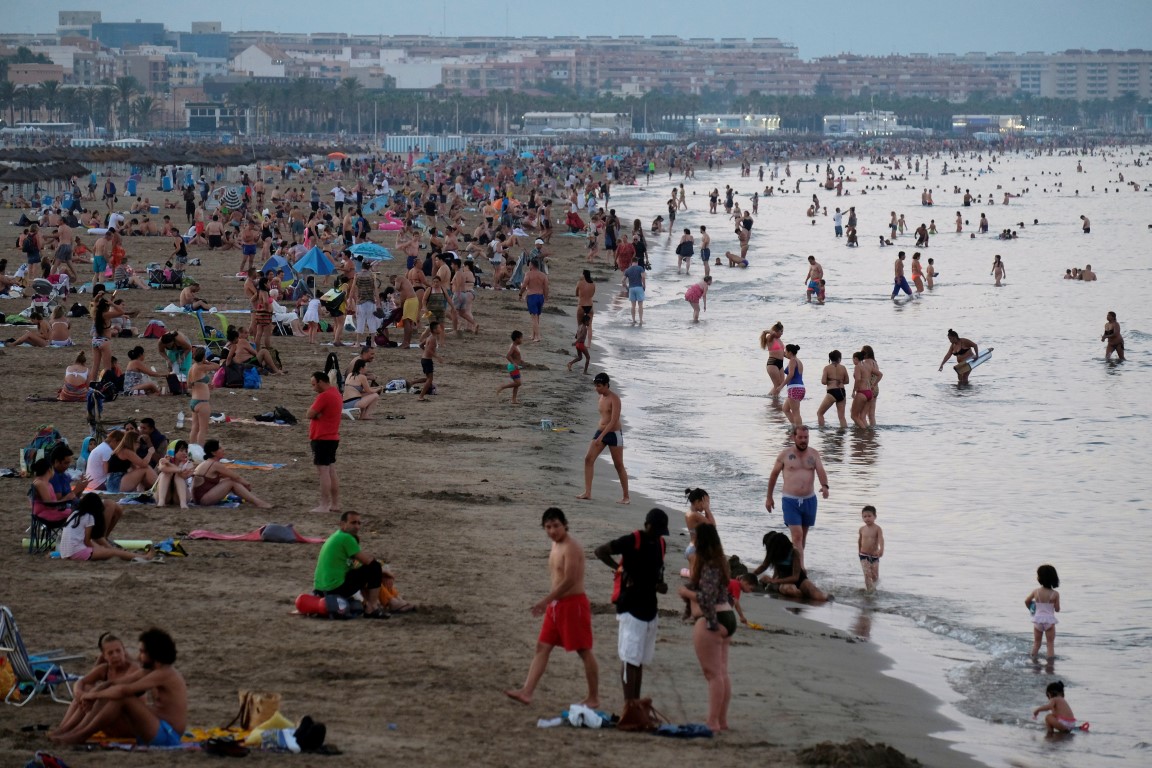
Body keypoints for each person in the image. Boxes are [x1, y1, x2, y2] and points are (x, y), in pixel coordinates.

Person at [505, 508, 599, 708]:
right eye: (548, 527)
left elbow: (570, 580)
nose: (552, 531)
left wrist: (545, 600)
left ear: (564, 524)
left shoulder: (571, 547)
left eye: (556, 526)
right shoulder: (555, 545)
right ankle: (527, 692)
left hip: (573, 605)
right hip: (556, 606)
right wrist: (551, 603)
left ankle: (593, 698)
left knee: (583, 651)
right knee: (542, 646)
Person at [51, 628, 187, 747]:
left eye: (142, 652)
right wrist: (95, 691)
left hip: (168, 734)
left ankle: (80, 735)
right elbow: (116, 683)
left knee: (123, 697)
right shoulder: (149, 670)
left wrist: (93, 695)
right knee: (107, 690)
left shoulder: (165, 673)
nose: (138, 657)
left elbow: (124, 690)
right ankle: (74, 732)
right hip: (156, 725)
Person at [593, 508, 668, 707]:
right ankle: (629, 706)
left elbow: (658, 577)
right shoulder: (632, 540)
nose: (659, 534)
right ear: (648, 525)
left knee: (639, 660)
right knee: (629, 660)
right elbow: (600, 551)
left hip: (650, 609)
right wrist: (619, 568)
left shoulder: (661, 544)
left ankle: (634, 702)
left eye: (662, 532)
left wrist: (661, 585)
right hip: (630, 607)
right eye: (657, 530)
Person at [676, 523, 733, 731]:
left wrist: (686, 593)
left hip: (713, 618)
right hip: (728, 615)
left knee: (713, 675)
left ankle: (713, 721)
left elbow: (706, 598)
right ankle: (722, 720)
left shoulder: (709, 565)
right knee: (722, 673)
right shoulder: (721, 562)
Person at [765, 425, 829, 573]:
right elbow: (774, 475)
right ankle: (800, 569)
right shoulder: (785, 455)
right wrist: (769, 497)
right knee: (797, 535)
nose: (803, 440)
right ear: (793, 437)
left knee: (802, 537)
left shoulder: (814, 454)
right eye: (800, 437)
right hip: (790, 500)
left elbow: (820, 471)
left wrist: (825, 486)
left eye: (806, 437)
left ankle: (792, 563)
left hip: (809, 500)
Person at [55, 633, 143, 735]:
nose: (115, 655)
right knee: (86, 689)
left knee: (94, 696)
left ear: (124, 651)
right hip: (110, 717)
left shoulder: (133, 669)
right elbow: (81, 681)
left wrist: (90, 696)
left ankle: (68, 731)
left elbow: (117, 692)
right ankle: (64, 728)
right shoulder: (105, 669)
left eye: (118, 651)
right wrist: (79, 693)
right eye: (110, 653)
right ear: (104, 656)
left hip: (130, 721)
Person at [313, 511, 389, 618]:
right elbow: (368, 562)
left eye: (359, 523)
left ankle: (369, 604)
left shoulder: (335, 536)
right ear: (342, 524)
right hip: (334, 589)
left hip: (319, 590)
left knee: (364, 572)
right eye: (353, 523)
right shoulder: (347, 538)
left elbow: (355, 566)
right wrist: (382, 571)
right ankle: (372, 607)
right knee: (375, 567)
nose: (357, 526)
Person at [577, 372, 629, 504]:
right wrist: (600, 434)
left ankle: (626, 497)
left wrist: (601, 436)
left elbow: (613, 420)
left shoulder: (614, 399)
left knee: (618, 465)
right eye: (595, 386)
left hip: (614, 434)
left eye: (599, 386)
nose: (597, 389)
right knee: (588, 459)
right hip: (600, 431)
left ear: (606, 385)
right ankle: (587, 492)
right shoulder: (600, 397)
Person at [57, 493, 149, 563]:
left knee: (108, 550)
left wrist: (99, 548)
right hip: (77, 552)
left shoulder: (74, 514)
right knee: (114, 552)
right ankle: (144, 557)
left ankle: (140, 556)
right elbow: (87, 541)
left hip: (66, 552)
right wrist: (100, 549)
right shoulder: (89, 517)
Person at [191, 439, 272, 508]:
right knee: (231, 482)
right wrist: (247, 484)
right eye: (220, 448)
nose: (223, 449)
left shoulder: (208, 462)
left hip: (199, 498)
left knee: (229, 480)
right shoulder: (214, 464)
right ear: (213, 453)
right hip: (203, 500)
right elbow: (236, 477)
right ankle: (258, 502)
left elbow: (228, 476)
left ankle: (255, 501)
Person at [754, 530, 828, 601]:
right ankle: (805, 598)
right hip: (783, 581)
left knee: (820, 596)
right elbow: (763, 567)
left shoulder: (794, 552)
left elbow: (795, 577)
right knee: (791, 591)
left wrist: (773, 581)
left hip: (800, 579)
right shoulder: (771, 553)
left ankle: (821, 597)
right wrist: (750, 575)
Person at [307, 371, 343, 514]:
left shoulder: (324, 396)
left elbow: (309, 413)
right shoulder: (336, 394)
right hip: (332, 437)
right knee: (331, 471)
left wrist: (316, 414)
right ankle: (335, 504)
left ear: (321, 382)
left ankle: (324, 504)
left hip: (322, 437)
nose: (313, 388)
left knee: (323, 472)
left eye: (314, 384)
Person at [1026, 564, 1061, 659]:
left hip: (1037, 620)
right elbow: (1057, 609)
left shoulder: (1036, 592)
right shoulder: (1055, 594)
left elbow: (1027, 601)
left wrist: (1032, 609)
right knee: (1050, 644)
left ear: (1040, 578)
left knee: (1037, 643)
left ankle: (1033, 660)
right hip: (1049, 621)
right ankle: (1050, 666)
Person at [186, 347, 218, 447]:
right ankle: (200, 451)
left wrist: (203, 385)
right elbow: (217, 366)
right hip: (202, 402)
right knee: (203, 430)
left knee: (194, 428)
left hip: (194, 401)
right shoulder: (201, 367)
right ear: (203, 357)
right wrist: (207, 362)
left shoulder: (192, 368)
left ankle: (191, 449)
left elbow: (189, 385)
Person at [682, 487, 715, 572]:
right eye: (705, 502)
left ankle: (684, 572)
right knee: (695, 579)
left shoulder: (690, 513)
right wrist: (707, 510)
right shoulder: (695, 515)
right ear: (697, 501)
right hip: (695, 550)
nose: (706, 505)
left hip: (693, 547)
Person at [815, 350, 849, 429]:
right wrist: (840, 381)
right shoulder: (843, 368)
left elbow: (823, 382)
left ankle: (822, 431)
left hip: (832, 392)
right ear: (839, 358)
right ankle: (843, 434)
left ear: (830, 358)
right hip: (842, 392)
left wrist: (830, 381)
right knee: (842, 417)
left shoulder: (827, 368)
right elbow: (847, 381)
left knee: (820, 413)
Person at [156, 441, 194, 509]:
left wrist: (170, 465)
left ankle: (183, 503)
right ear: (173, 451)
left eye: (186, 451)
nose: (184, 453)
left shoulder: (189, 463)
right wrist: (180, 470)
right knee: (165, 474)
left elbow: (184, 475)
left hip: (179, 497)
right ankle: (161, 502)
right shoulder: (164, 459)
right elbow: (162, 468)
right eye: (181, 450)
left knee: (178, 476)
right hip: (165, 495)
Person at [519, 259, 549, 343]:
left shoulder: (528, 274)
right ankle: (533, 334)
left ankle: (538, 336)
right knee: (537, 316)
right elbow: (546, 287)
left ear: (532, 265)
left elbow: (524, 286)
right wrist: (546, 297)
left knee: (534, 317)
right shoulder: (543, 275)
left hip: (532, 296)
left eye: (529, 264)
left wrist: (520, 294)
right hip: (540, 296)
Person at [858, 505, 884, 592]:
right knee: (867, 574)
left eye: (869, 516)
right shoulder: (862, 529)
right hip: (863, 555)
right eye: (864, 516)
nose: (867, 518)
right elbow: (860, 540)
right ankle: (869, 591)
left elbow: (881, 539)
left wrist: (881, 549)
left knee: (875, 576)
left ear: (875, 517)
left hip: (874, 555)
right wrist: (859, 551)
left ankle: (874, 589)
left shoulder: (877, 528)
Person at [781, 344, 805, 428]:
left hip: (794, 388)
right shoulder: (798, 361)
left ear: (790, 352)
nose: (785, 352)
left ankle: (799, 429)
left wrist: (781, 386)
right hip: (800, 388)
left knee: (796, 412)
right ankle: (795, 426)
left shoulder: (792, 361)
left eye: (786, 351)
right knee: (785, 409)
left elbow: (790, 375)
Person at [760, 322, 786, 396]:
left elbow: (782, 353)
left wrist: (792, 357)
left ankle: (770, 396)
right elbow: (773, 333)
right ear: (776, 331)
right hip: (773, 363)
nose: (782, 334)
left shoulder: (779, 340)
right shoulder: (770, 338)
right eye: (781, 331)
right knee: (777, 385)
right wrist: (767, 331)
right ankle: (775, 401)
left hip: (780, 363)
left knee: (781, 384)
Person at [623, 256, 646, 325]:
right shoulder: (640, 268)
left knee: (633, 305)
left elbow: (622, 280)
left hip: (631, 288)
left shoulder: (628, 270)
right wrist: (644, 285)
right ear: (637, 262)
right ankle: (641, 321)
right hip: (639, 287)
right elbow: (643, 277)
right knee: (640, 305)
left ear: (631, 262)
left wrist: (627, 287)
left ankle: (633, 320)